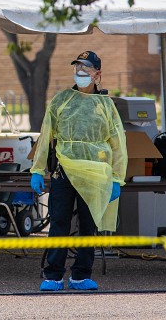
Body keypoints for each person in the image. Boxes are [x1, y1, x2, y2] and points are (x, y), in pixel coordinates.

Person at [29, 50, 127, 291]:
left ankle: (81, 275)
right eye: (77, 68)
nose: (80, 73)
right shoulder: (61, 100)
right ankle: (53, 276)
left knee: (88, 225)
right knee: (59, 223)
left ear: (97, 74)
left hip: (95, 174)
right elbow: (46, 135)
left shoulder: (106, 105)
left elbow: (118, 143)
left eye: (85, 68)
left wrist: (117, 178)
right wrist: (38, 169)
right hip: (65, 171)